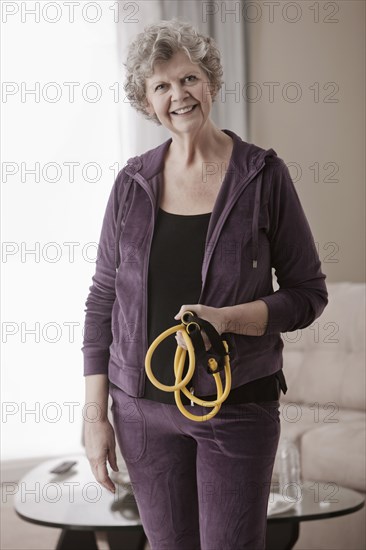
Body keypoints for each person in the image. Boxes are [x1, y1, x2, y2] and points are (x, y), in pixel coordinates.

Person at [82, 18, 328, 550]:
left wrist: (229, 319)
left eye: (188, 79)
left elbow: (308, 292)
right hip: (141, 412)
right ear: (147, 102)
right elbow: (103, 299)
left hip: (236, 406)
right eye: (162, 86)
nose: (179, 96)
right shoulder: (131, 184)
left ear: (210, 81)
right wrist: (94, 415)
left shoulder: (263, 176)